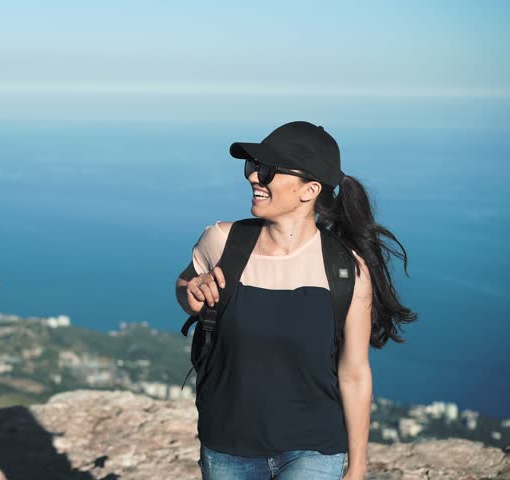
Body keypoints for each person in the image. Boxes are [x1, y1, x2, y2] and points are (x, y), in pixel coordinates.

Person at [175, 121, 416, 479]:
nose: (254, 177)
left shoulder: (346, 269)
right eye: (252, 166)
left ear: (310, 190)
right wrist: (190, 291)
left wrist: (358, 466)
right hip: (227, 444)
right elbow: (185, 287)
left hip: (314, 447)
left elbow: (354, 372)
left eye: (268, 170)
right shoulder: (222, 241)